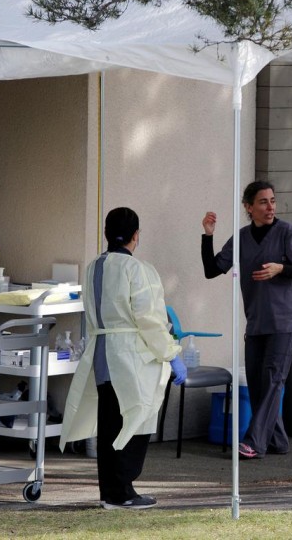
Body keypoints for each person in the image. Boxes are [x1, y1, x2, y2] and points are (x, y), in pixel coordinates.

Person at [60, 207, 187, 510]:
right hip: (130, 355)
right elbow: (150, 318)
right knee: (133, 418)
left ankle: (112, 491)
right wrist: (171, 353)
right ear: (136, 235)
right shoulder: (138, 270)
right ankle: (123, 491)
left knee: (109, 423)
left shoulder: (94, 267)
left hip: (102, 351)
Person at [201, 181, 292, 460]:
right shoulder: (241, 238)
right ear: (249, 208)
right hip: (257, 322)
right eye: (263, 202)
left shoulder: (289, 233)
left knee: (274, 379)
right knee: (258, 385)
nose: (270, 207)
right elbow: (212, 270)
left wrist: (281, 268)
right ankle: (278, 440)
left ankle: (253, 442)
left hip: (286, 320)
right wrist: (208, 235)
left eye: (273, 200)